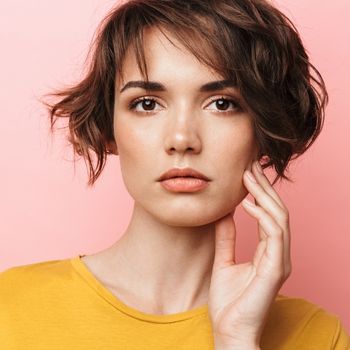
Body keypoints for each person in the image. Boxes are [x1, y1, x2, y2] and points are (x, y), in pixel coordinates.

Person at [0, 0, 349, 349]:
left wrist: (237, 339)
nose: (182, 139)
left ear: (264, 131)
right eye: (147, 103)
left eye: (222, 103)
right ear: (109, 130)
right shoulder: (10, 308)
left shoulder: (316, 336)